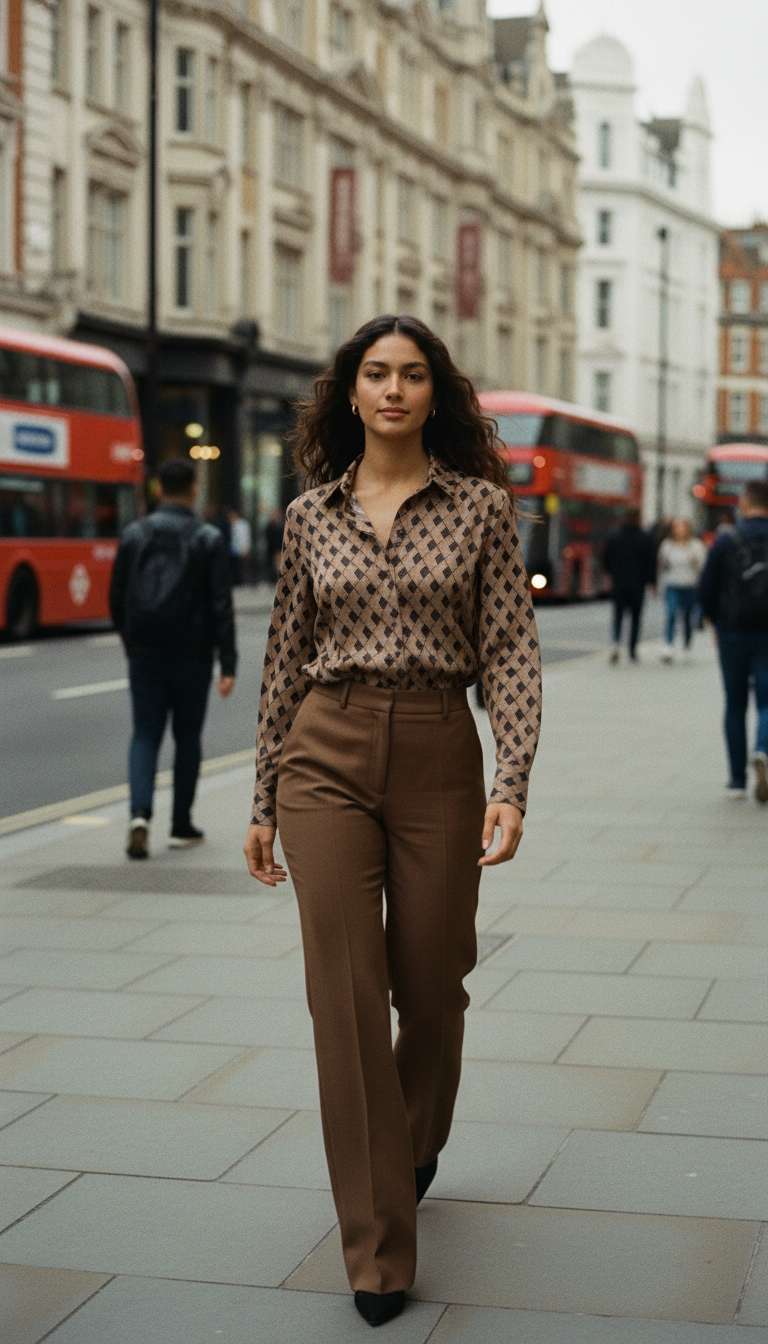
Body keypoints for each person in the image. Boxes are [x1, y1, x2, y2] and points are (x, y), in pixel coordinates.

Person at [243, 315, 541, 1327]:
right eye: (376, 373)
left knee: (434, 983)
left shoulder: (482, 511)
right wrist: (259, 802)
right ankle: (377, 1247)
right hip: (322, 756)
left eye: (413, 374)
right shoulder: (307, 517)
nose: (394, 389)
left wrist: (512, 779)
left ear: (434, 394)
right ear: (351, 392)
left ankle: (415, 1139)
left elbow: (507, 650)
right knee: (345, 997)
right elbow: (284, 658)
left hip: (435, 755)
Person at [110, 456, 237, 858]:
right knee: (187, 737)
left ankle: (139, 816)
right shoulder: (207, 537)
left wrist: (130, 640)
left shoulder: (134, 534)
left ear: (159, 490)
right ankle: (181, 824)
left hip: (144, 650)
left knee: (145, 733)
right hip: (192, 654)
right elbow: (221, 604)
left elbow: (117, 596)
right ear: (194, 490)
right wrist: (227, 663)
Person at [698, 479, 768, 802]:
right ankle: (763, 749)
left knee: (735, 704)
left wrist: (715, 622)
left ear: (745, 502)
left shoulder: (727, 539)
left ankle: (737, 781)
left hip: (733, 633)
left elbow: (706, 588)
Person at [603, 505, 657, 662]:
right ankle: (632, 649)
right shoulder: (645, 537)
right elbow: (651, 562)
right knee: (635, 617)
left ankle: (615, 644)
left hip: (619, 582)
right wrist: (652, 582)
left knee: (618, 615)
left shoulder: (615, 535)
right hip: (637, 583)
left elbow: (606, 557)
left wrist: (609, 574)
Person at [658, 518, 707, 662]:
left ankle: (687, 646)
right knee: (671, 614)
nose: (680, 530)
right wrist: (658, 584)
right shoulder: (667, 545)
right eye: (677, 527)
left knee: (687, 617)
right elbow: (662, 565)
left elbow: (702, 566)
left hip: (690, 585)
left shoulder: (696, 546)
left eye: (683, 527)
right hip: (673, 584)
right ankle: (668, 645)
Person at [228, 508, 253, 586]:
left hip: (241, 548)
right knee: (236, 566)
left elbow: (245, 537)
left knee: (243, 567)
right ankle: (237, 580)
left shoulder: (242, 525)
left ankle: (244, 581)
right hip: (234, 549)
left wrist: (245, 548)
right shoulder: (233, 525)